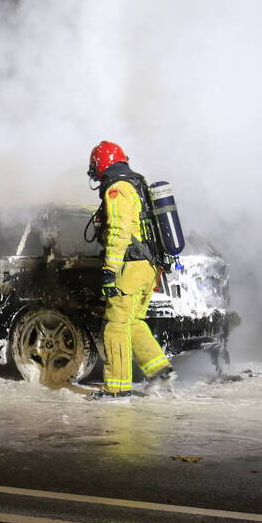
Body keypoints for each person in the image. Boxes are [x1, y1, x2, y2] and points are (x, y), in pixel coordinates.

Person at [85, 140, 174, 401]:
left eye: (94, 165)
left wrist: (110, 270)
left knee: (115, 325)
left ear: (101, 163)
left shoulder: (118, 188)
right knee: (133, 322)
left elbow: (119, 231)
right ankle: (160, 369)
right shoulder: (137, 184)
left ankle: (117, 388)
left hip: (130, 268)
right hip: (148, 267)